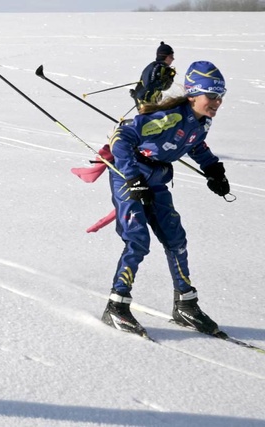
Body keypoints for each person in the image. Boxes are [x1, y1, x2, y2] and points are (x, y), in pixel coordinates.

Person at [101, 61, 231, 338]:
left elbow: (195, 144)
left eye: (221, 96)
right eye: (212, 96)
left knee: (176, 239)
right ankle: (116, 305)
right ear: (194, 94)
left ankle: (185, 304)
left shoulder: (201, 121)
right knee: (138, 240)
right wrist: (132, 178)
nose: (217, 102)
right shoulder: (169, 117)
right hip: (129, 175)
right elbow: (121, 137)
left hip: (157, 179)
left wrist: (213, 169)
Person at [130, 41, 176, 109]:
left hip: (153, 101)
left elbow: (164, 88)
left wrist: (170, 78)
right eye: (171, 56)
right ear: (164, 56)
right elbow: (149, 85)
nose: (173, 59)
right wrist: (163, 81)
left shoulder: (163, 68)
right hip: (144, 100)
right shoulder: (156, 67)